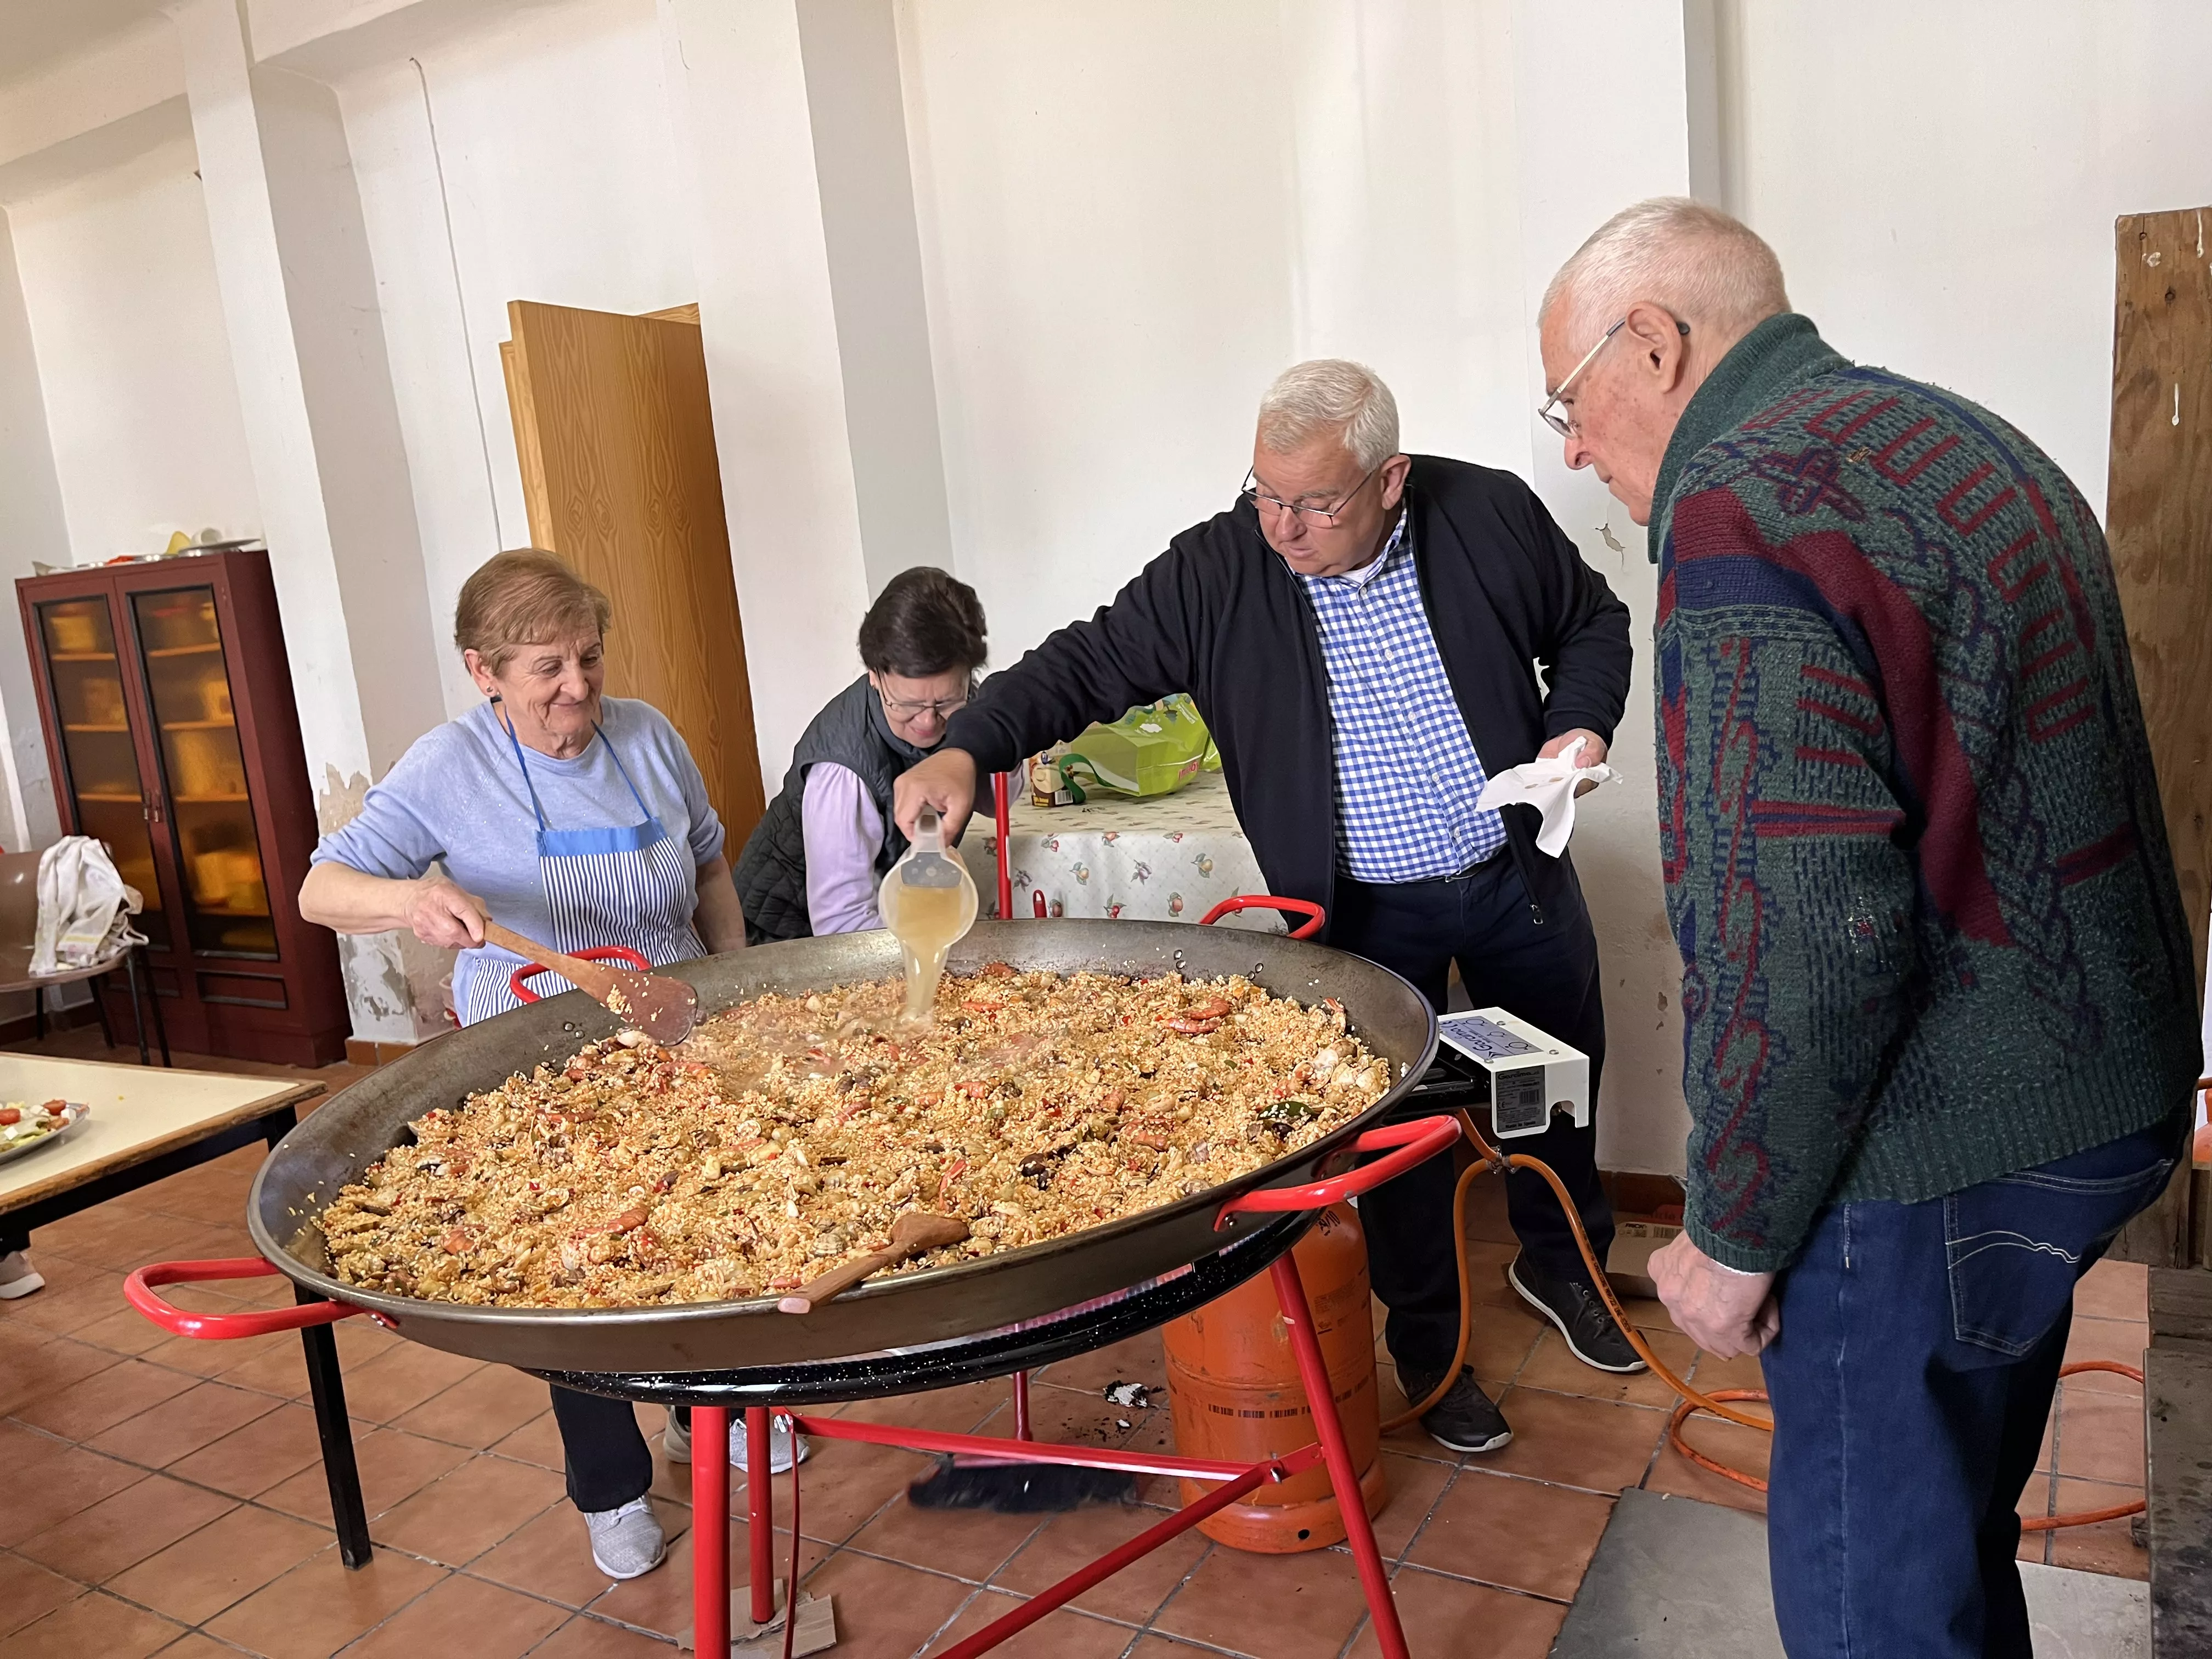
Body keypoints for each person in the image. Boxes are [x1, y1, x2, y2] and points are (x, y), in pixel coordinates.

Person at [1537, 199, 2198, 1657]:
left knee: (1874, 1614)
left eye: (1570, 404)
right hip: (2095, 1095)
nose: (1573, 446)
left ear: (1652, 343)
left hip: (1932, 1153)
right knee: (1950, 1541)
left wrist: (1736, 1226)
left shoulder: (1742, 510)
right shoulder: (1951, 437)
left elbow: (1803, 937)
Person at [894, 360, 1640, 1455]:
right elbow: (1084, 664)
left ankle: (1563, 1266)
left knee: (1555, 1085)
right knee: (1400, 1144)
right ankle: (1433, 1349)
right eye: (1264, 492)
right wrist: (968, 747)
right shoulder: (1221, 570)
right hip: (1364, 913)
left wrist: (1578, 730)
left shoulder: (1484, 514)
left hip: (1511, 876)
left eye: (1314, 502)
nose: (1282, 526)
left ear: (1391, 480)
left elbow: (1593, 623)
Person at [300, 549, 797, 1583]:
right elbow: (321, 888)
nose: (577, 686)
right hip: (538, 1068)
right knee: (579, 1269)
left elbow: (706, 857)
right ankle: (611, 1486)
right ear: (482, 669)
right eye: (544, 668)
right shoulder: (446, 766)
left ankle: (721, 1408)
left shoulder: (648, 734)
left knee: (720, 1220)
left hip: (673, 1034)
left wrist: (735, 978)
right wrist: (406, 902)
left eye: (587, 658)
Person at [734, 567, 988, 939]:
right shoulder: (842, 769)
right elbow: (842, 924)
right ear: (874, 675)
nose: (929, 722)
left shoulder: (967, 703)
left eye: (947, 701)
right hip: (791, 938)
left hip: (876, 912)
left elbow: (999, 792)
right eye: (908, 704)